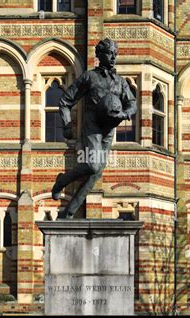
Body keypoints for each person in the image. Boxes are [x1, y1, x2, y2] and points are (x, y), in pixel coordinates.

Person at [51, 38, 137, 219]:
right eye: (109, 53)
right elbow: (66, 101)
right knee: (92, 164)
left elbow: (132, 102)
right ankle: (62, 181)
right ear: (99, 55)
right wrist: (67, 125)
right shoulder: (90, 77)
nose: (113, 57)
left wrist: (126, 113)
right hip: (93, 127)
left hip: (110, 129)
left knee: (96, 173)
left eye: (115, 54)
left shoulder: (120, 82)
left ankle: (69, 211)